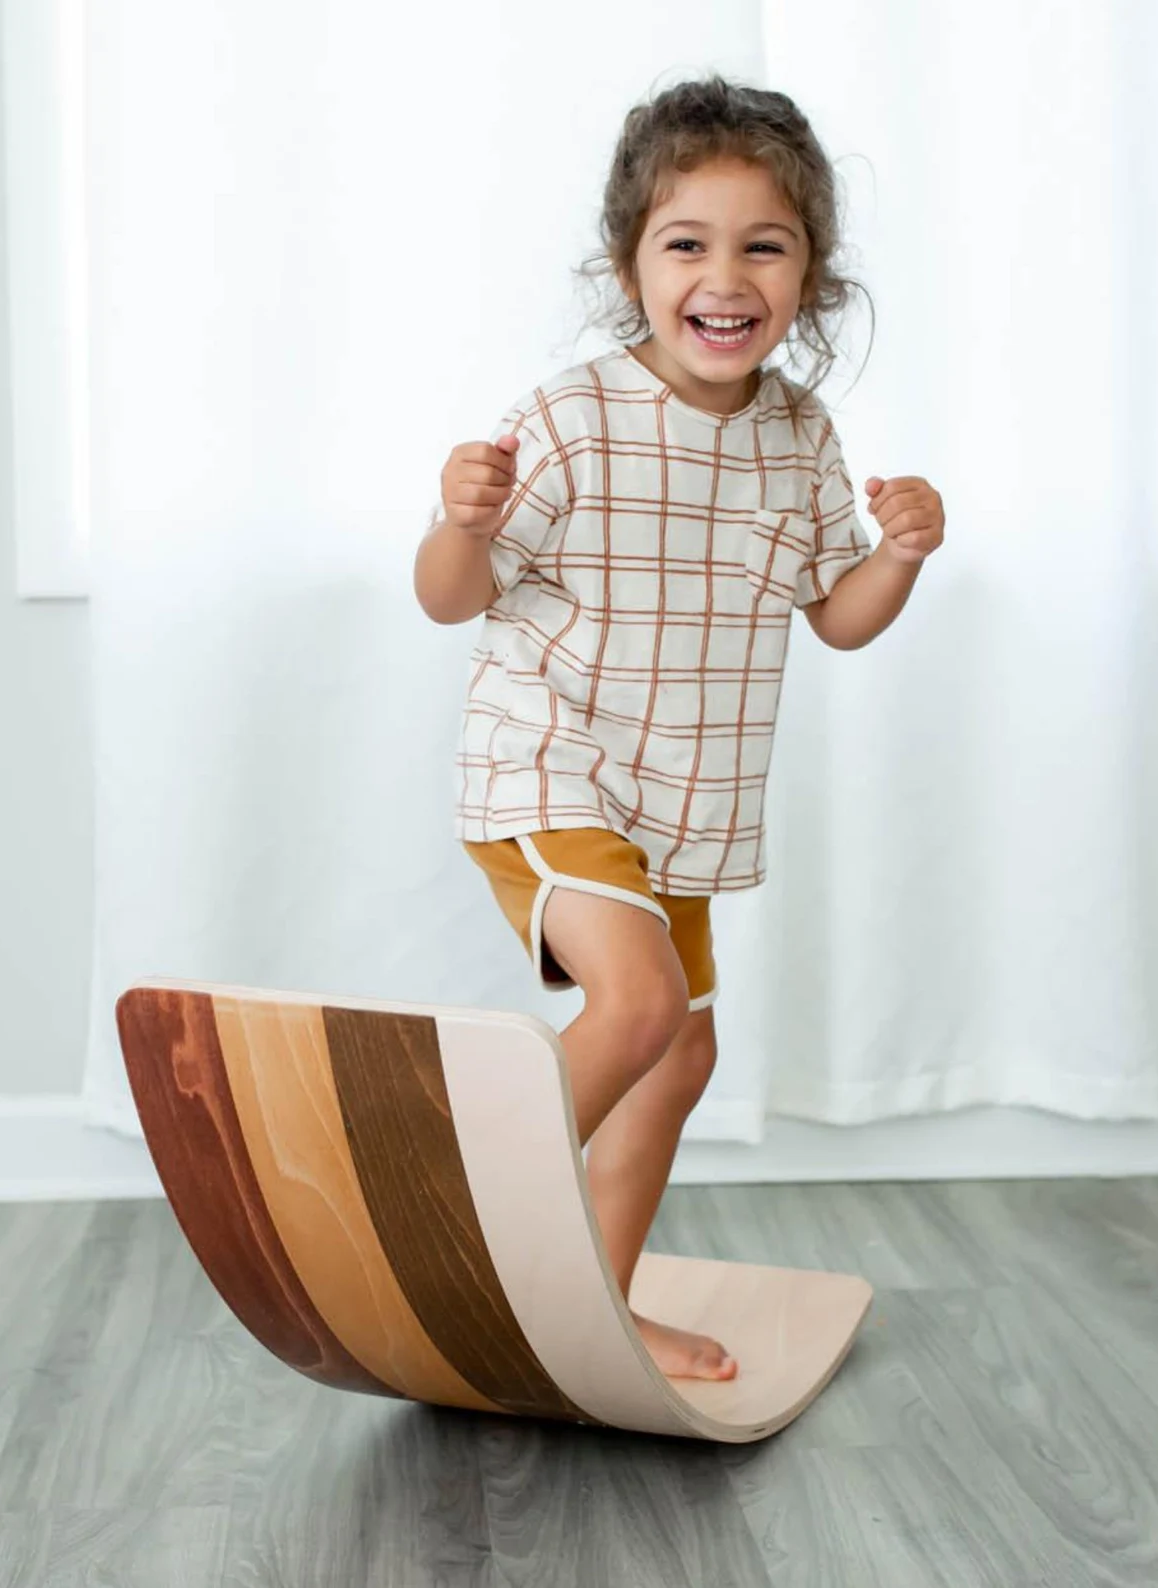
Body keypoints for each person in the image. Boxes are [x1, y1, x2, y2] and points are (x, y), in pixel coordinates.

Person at [413, 74, 944, 1380]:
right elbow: (449, 601)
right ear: (630, 266)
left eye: (765, 243)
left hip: (682, 815)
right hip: (551, 772)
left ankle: (592, 1298)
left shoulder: (799, 436)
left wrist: (906, 554)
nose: (727, 274)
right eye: (687, 242)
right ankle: (463, 1223)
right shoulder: (570, 418)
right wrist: (463, 521)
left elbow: (838, 614)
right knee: (640, 1004)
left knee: (679, 1053)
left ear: (811, 273)